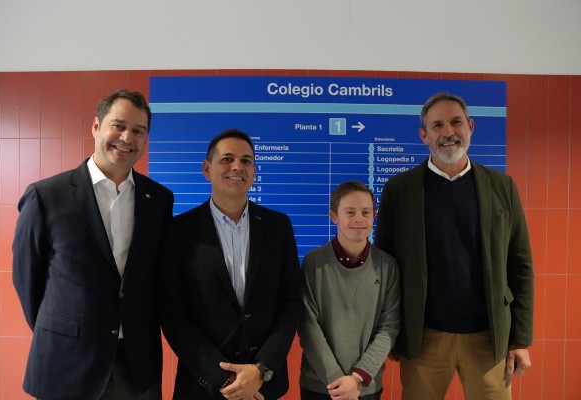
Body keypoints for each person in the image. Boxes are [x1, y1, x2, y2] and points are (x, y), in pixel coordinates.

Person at [12, 89, 174, 400]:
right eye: (118, 126)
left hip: (136, 364)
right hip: (67, 360)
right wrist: (64, 328)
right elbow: (27, 279)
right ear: (96, 126)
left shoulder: (158, 199)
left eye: (138, 131)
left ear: (145, 140)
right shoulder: (47, 196)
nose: (127, 138)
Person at [374, 92, 534, 400]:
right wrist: (390, 332)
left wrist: (520, 339)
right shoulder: (399, 189)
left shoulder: (502, 187)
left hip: (489, 339)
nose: (448, 132)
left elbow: (520, 266)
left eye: (456, 122)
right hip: (424, 338)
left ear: (470, 127)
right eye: (437, 125)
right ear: (424, 135)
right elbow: (385, 268)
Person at [159, 128, 302, 399]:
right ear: (207, 169)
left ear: (254, 172)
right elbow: (172, 313)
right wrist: (224, 378)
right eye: (227, 159)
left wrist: (261, 370)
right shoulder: (179, 232)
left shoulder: (278, 227)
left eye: (246, 160)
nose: (237, 166)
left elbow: (291, 303)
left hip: (263, 386)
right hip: (204, 387)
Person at [298, 180, 400, 400]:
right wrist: (337, 380)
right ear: (334, 216)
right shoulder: (313, 263)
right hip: (320, 386)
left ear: (374, 215)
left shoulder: (387, 266)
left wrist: (357, 379)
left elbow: (389, 327)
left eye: (366, 212)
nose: (359, 219)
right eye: (350, 212)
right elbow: (307, 326)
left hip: (365, 386)